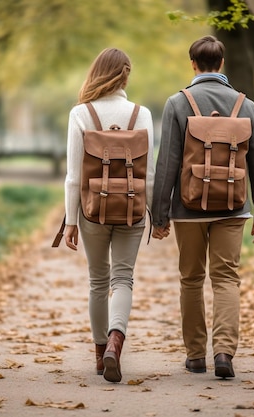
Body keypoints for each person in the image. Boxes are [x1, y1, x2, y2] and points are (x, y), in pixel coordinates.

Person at [151, 35, 254, 379]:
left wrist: (160, 216)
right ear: (221, 64)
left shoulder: (178, 103)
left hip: (187, 210)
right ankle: (224, 354)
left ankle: (194, 356)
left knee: (191, 279)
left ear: (193, 65)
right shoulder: (246, 106)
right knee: (226, 279)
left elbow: (167, 163)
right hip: (233, 209)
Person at [63, 48, 154, 383]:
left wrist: (71, 221)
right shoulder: (141, 114)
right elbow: (151, 172)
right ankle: (118, 339)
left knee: (98, 281)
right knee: (123, 278)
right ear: (126, 75)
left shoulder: (80, 114)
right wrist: (157, 215)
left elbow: (74, 174)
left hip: (93, 210)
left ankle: (102, 355)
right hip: (132, 207)